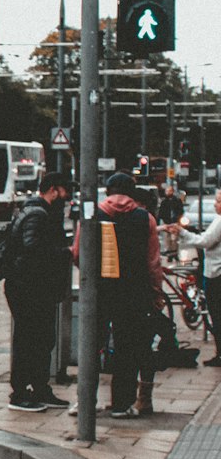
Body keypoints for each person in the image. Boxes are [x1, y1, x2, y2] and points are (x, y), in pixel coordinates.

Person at [74, 171, 166, 418]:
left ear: (107, 191)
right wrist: (157, 293)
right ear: (132, 193)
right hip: (134, 293)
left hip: (99, 291)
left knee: (92, 345)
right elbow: (153, 263)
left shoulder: (92, 214)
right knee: (128, 347)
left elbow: (77, 253)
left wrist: (89, 275)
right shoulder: (145, 219)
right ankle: (121, 405)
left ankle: (85, 402)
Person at [4, 171, 73, 412]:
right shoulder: (37, 214)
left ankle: (41, 389)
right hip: (27, 287)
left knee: (43, 340)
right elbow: (32, 247)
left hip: (34, 287)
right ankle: (20, 393)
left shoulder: (40, 211)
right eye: (65, 191)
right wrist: (66, 253)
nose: (67, 197)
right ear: (53, 189)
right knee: (28, 340)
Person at [169, 187, 221, 367]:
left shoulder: (220, 221)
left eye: (218, 201)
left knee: (217, 314)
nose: (215, 204)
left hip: (216, 274)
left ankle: (220, 354)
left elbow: (204, 241)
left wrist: (182, 233)